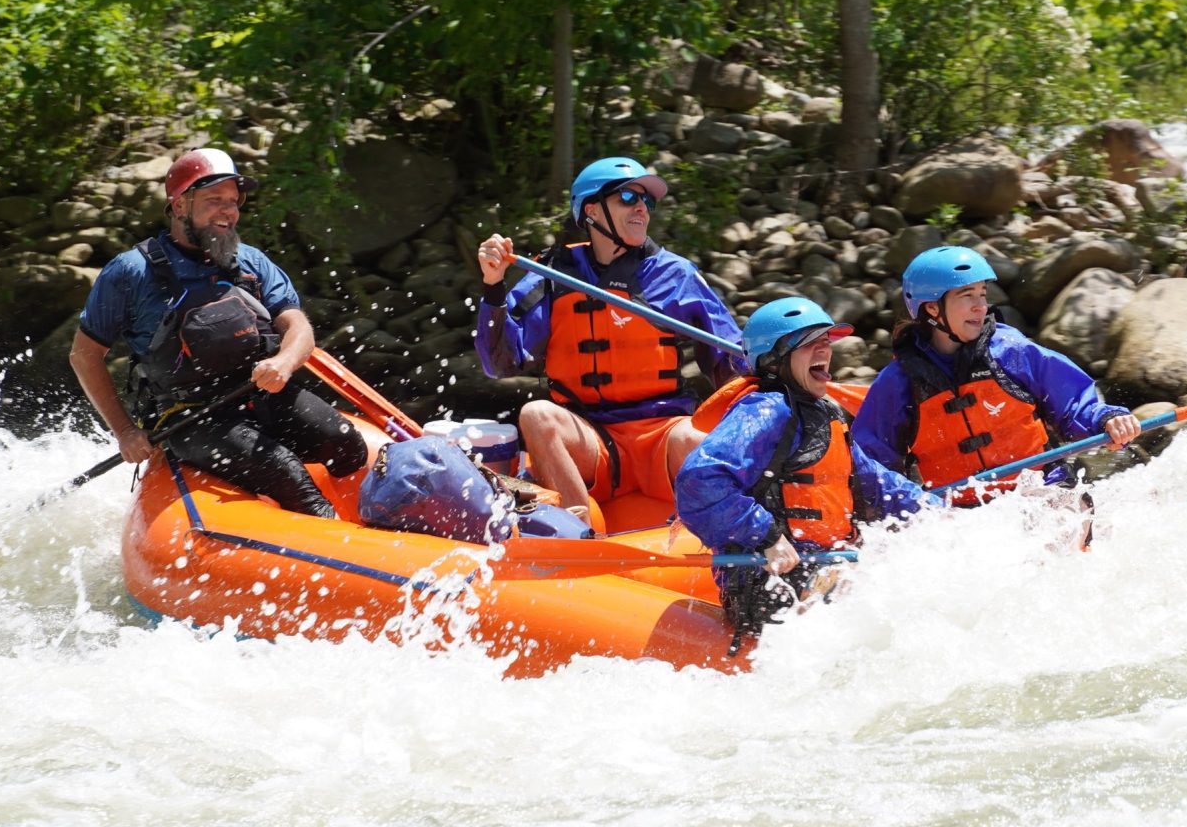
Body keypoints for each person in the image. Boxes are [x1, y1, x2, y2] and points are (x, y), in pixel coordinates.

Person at [69, 147, 367, 517]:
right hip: (191, 415)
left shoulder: (252, 261)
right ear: (179, 206)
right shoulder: (130, 272)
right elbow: (84, 355)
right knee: (285, 472)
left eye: (233, 201)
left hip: (262, 392)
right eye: (214, 200)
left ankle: (366, 516)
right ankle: (325, 535)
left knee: (348, 445)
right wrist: (126, 433)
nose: (228, 211)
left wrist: (285, 362)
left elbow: (297, 325)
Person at [475, 156, 745, 522]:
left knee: (700, 444)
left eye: (646, 201)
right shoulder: (552, 274)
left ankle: (744, 542)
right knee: (537, 414)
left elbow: (731, 364)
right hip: (590, 438)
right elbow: (500, 363)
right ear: (592, 211)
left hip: (661, 434)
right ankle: (580, 532)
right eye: (628, 199)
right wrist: (493, 288)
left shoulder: (673, 274)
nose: (641, 209)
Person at [675, 297, 935, 651]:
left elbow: (878, 484)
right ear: (775, 358)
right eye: (811, 343)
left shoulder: (823, 414)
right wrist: (766, 536)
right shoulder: (764, 410)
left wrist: (941, 514)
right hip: (769, 580)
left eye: (826, 342)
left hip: (823, 566)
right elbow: (699, 480)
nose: (824, 350)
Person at [853, 246, 1141, 501]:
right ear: (932, 309)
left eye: (982, 293)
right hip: (959, 510)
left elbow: (1076, 404)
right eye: (966, 296)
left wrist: (1108, 419)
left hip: (1041, 489)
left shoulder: (1011, 351)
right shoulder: (899, 381)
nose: (980, 306)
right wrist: (908, 503)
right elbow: (872, 465)